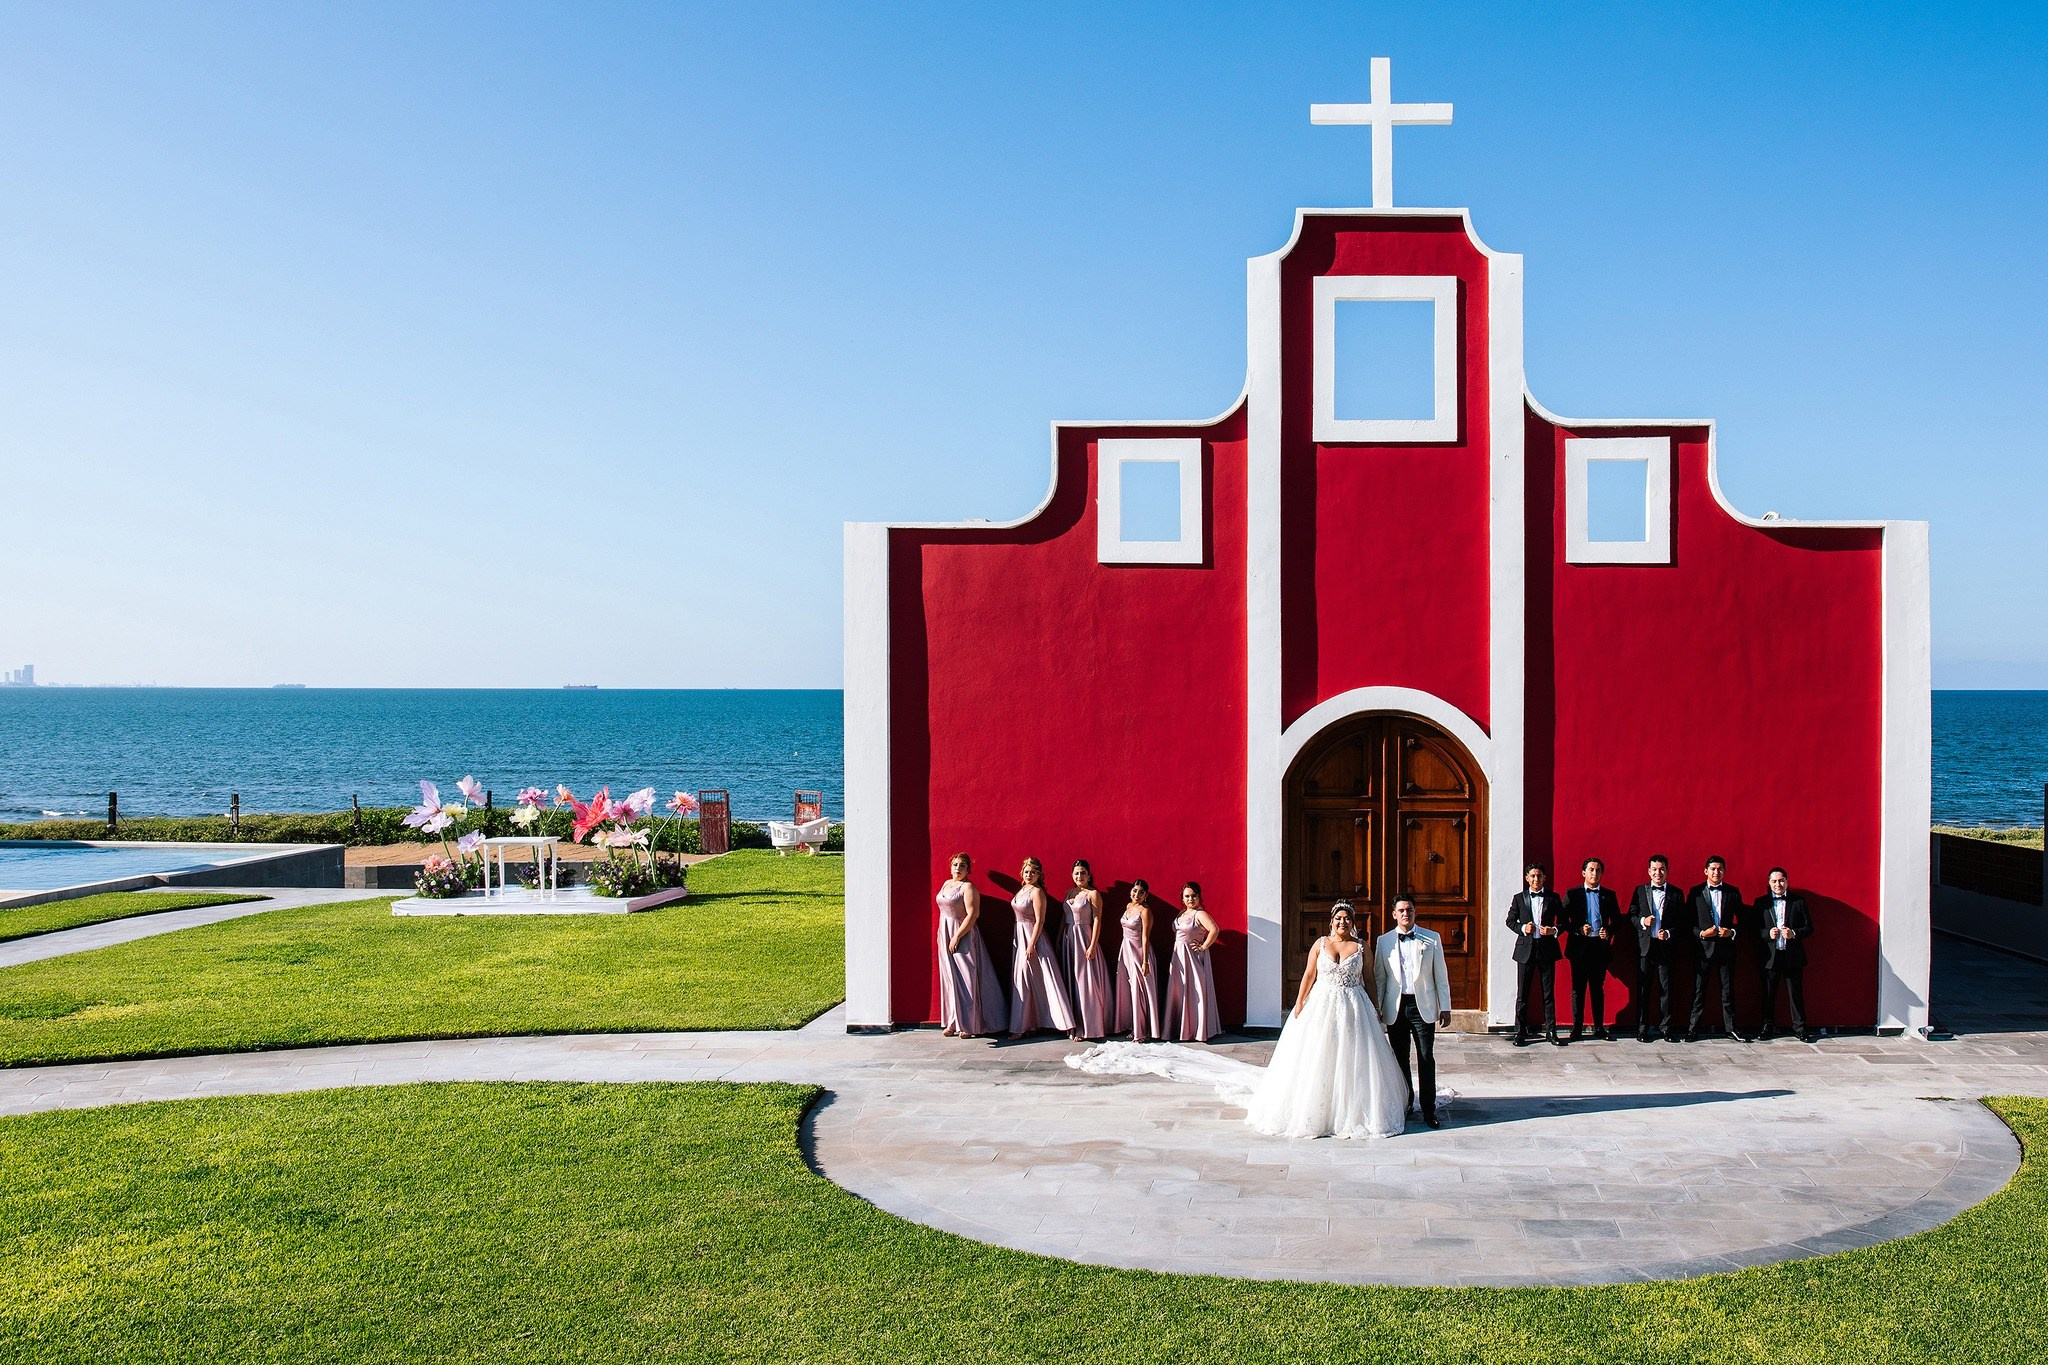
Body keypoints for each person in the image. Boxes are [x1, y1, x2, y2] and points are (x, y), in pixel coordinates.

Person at [1241, 901, 1410, 1139]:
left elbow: (1369, 979)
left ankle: (1351, 1110)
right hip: (1322, 1003)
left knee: (1353, 1056)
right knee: (1318, 1053)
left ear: (1353, 923)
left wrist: (1375, 1007)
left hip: (1354, 1006)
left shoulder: (1362, 947)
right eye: (1339, 918)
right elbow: (1309, 974)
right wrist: (1300, 1001)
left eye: (1347, 919)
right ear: (1331, 922)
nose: (1343, 922)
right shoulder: (1320, 944)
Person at [1374, 896, 1451, 1129]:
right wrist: (1377, 1008)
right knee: (1400, 1059)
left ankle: (1429, 1109)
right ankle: (1405, 1103)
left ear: (1415, 913)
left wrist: (1445, 1006)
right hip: (1396, 1007)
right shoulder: (1383, 941)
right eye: (1401, 910)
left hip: (1423, 1006)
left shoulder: (1432, 938)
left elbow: (1441, 976)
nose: (1406, 914)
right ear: (1394, 914)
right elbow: (1380, 978)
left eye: (1410, 910)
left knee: (1426, 1057)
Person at [1007, 857, 1078, 1039]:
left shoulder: (1037, 892)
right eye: (1026, 871)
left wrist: (1031, 944)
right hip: (1020, 935)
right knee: (1026, 981)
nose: (1029, 875)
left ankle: (1064, 1024)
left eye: (1033, 872)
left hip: (1034, 938)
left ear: (1039, 875)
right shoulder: (1022, 890)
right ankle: (1028, 1024)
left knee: (1044, 979)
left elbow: (1040, 920)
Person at [936, 853, 1004, 1037]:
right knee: (950, 979)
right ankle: (953, 1021)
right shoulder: (946, 884)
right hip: (945, 933)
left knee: (967, 979)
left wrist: (957, 936)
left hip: (963, 934)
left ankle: (969, 1025)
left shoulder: (968, 887)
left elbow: (973, 914)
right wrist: (945, 935)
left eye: (962, 865)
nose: (958, 868)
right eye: (955, 864)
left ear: (968, 870)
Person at [1686, 855, 1748, 1042]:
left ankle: (1731, 1028)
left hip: (1726, 949)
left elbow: (1744, 920)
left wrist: (1732, 932)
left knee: (1727, 990)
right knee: (1699, 990)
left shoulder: (1732, 892)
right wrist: (1702, 934)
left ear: (1724, 871)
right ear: (1705, 871)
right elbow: (1687, 921)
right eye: (1712, 868)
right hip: (1703, 949)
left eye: (1720, 869)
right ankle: (1692, 1029)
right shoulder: (1695, 892)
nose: (1716, 872)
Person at [1506, 864, 1566, 1046]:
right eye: (1532, 876)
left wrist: (1554, 930)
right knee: (1522, 993)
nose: (1536, 879)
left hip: (1546, 950)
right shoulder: (1519, 898)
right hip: (1526, 950)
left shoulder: (1553, 898)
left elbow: (1564, 922)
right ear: (1527, 878)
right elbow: (1509, 921)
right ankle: (1520, 1031)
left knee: (1548, 993)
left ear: (1544, 878)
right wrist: (1523, 928)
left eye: (1539, 876)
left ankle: (1551, 1031)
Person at [1753, 867, 1815, 1042]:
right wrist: (1767, 933)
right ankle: (1766, 1027)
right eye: (1774, 881)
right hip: (1770, 956)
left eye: (1781, 881)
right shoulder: (1761, 903)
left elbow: (1809, 928)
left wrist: (1794, 933)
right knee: (1768, 994)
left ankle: (1800, 1028)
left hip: (1792, 956)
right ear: (1769, 883)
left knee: (1795, 993)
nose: (1778, 884)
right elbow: (1753, 929)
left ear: (1787, 882)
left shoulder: (1798, 902)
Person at [1562, 857, 1619, 1041]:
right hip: (1579, 948)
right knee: (1578, 989)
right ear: (1583, 873)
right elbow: (1562, 921)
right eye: (1591, 870)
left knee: (1597, 988)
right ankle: (1576, 1028)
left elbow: (1617, 920)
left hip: (1599, 947)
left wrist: (1608, 931)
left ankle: (1599, 1028)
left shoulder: (1609, 895)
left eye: (1598, 870)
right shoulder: (1573, 894)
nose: (1595, 874)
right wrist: (1578, 929)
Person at [1628, 854, 1682, 1042]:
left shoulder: (1676, 893)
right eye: (1654, 869)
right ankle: (1642, 1028)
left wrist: (1668, 933)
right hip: (1645, 948)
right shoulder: (1640, 891)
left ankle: (1665, 1028)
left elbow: (1682, 922)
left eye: (1662, 869)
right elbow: (1632, 915)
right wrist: (1643, 921)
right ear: (1649, 871)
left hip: (1665, 949)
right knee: (1643, 989)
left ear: (1667, 871)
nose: (1658, 873)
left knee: (1666, 990)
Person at [1164, 881, 1223, 1042]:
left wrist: (1204, 946)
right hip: (1178, 957)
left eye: (1194, 896)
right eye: (1187, 896)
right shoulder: (1181, 914)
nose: (1191, 899)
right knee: (1179, 990)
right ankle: (1181, 1028)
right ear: (1182, 898)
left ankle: (1196, 1030)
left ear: (1199, 897)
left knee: (1194, 991)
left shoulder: (1200, 914)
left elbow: (1214, 930)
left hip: (1192, 958)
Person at [1062, 859, 1112, 1041]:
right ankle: (1074, 1024)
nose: (1079, 876)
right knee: (1072, 981)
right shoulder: (1069, 892)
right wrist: (1060, 938)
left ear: (1089, 875)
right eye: (1076, 873)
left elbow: (1098, 920)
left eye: (1083, 873)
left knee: (1085, 983)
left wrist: (1092, 945)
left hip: (1085, 938)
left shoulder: (1093, 894)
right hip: (1069, 939)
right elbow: (1064, 918)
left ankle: (1088, 1027)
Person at [1113, 879, 1163, 1042]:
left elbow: (1145, 937)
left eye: (1141, 892)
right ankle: (1134, 1026)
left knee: (1139, 991)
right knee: (1128, 990)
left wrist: (1145, 961)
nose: (1137, 895)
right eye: (1135, 891)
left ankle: (1143, 1031)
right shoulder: (1129, 906)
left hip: (1139, 953)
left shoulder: (1145, 911)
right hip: (1125, 950)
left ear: (1146, 895)